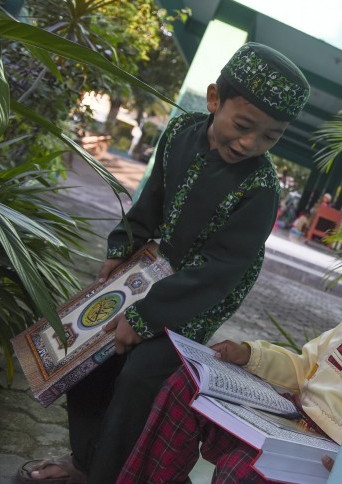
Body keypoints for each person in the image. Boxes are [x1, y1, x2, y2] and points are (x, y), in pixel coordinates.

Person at [19, 43, 311, 484]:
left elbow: (220, 270)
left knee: (140, 375)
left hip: (201, 295)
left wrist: (147, 316)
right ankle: (84, 463)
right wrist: (122, 246)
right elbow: (150, 200)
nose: (251, 143)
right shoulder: (180, 133)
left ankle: (106, 477)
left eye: (270, 137)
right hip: (148, 272)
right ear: (215, 100)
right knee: (87, 355)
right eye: (244, 125)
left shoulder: (261, 188)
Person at [116, 206, 342, 483]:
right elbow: (303, 367)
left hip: (322, 459)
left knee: (242, 472)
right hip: (287, 421)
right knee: (187, 384)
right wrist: (249, 355)